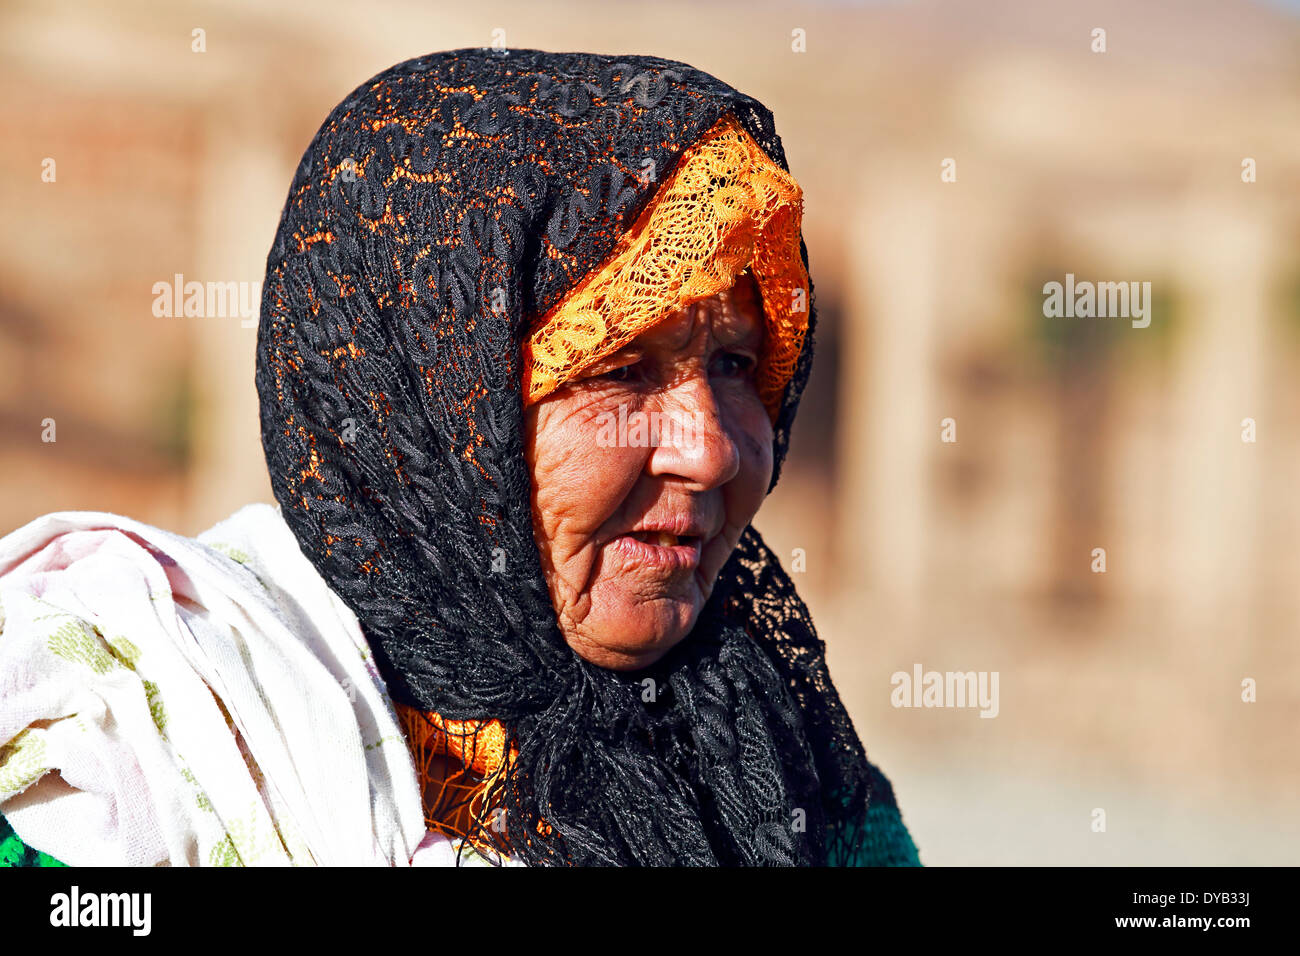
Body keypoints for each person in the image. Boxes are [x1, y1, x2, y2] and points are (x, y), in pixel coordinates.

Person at [0, 48, 920, 866]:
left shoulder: (797, 791)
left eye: (737, 365)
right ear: (427, 408)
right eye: (621, 370)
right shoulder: (99, 748)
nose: (713, 449)